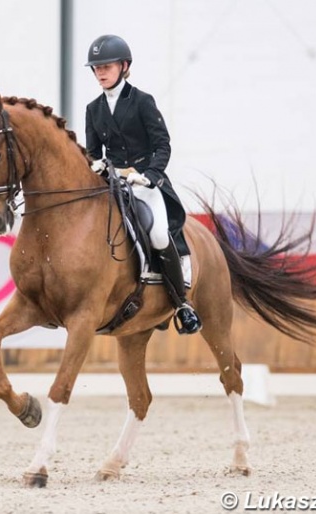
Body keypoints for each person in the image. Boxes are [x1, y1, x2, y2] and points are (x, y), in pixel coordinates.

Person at [84, 34, 202, 334]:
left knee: (160, 235)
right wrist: (93, 165)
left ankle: (181, 305)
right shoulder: (93, 109)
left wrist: (149, 174)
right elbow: (94, 152)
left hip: (145, 183)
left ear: (124, 66)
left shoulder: (142, 101)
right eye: (96, 68)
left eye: (106, 66)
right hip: (113, 186)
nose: (100, 72)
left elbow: (163, 144)